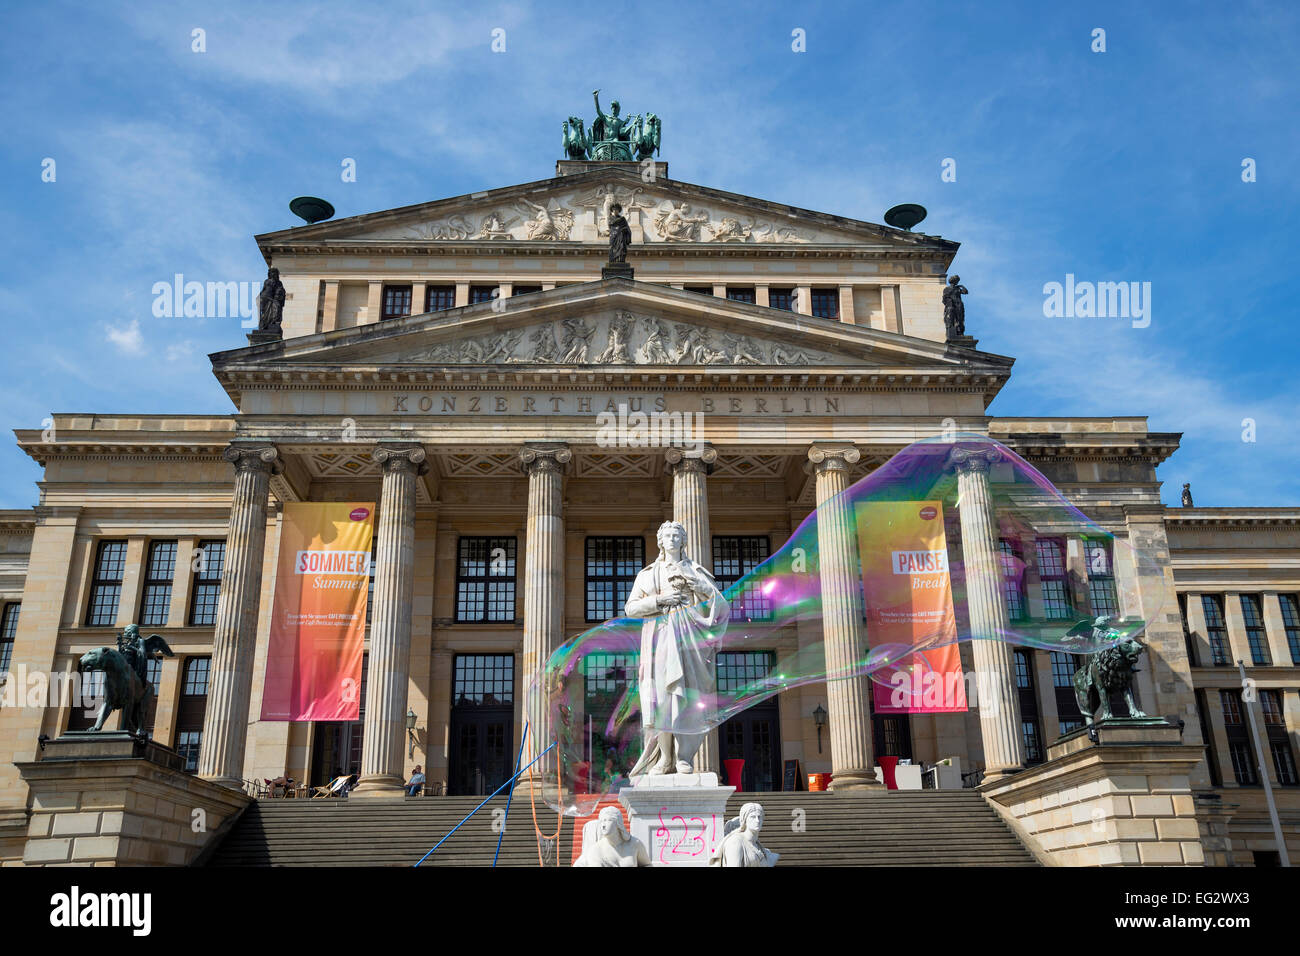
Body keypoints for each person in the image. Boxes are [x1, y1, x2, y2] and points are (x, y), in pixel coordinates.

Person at [625, 520, 730, 776]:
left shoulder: (696, 571)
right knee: (662, 699)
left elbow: (722, 606)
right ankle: (665, 759)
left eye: (676, 535)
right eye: (667, 535)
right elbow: (631, 608)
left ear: (683, 541)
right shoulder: (647, 574)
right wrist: (661, 600)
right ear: (660, 541)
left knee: (688, 700)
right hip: (659, 640)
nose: (671, 539)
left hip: (690, 641)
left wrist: (698, 586)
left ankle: (685, 757)